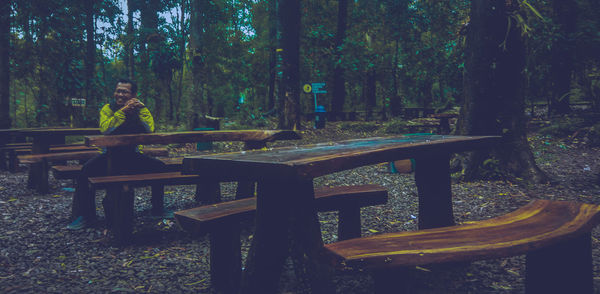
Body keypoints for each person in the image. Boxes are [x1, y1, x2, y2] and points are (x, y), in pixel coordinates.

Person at [68, 78, 166, 230]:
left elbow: (150, 130)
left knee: (160, 167)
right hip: (110, 157)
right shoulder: (108, 109)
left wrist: (141, 109)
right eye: (118, 91)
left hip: (133, 156)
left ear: (133, 94)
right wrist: (122, 112)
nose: (120, 94)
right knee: (84, 172)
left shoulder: (141, 109)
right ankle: (85, 216)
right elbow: (105, 129)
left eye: (124, 92)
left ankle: (158, 209)